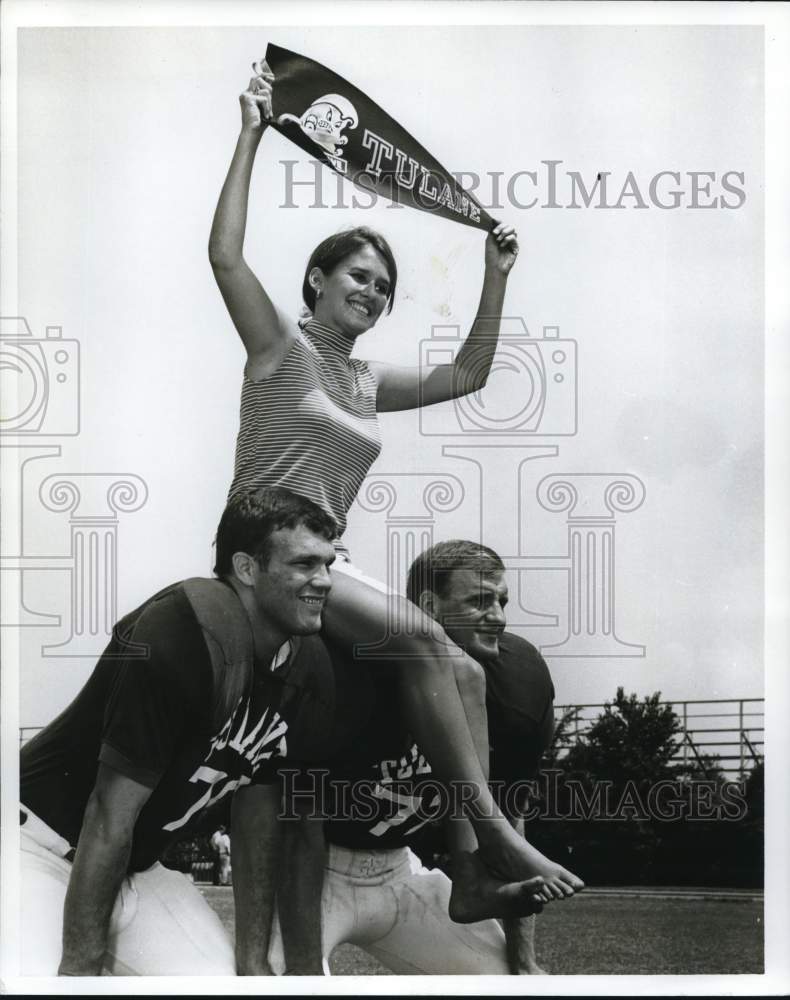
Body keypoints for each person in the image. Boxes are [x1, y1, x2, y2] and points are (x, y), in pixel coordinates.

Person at [208, 57, 583, 898]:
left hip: (323, 566)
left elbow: (468, 377)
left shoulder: (369, 381)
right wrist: (251, 135)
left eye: (384, 289)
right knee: (421, 642)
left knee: (466, 670)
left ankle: (471, 872)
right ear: (316, 280)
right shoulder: (279, 347)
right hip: (261, 556)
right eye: (358, 279)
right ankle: (497, 837)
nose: (373, 296)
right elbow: (224, 254)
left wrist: (495, 276)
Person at [19, 487, 341, 976]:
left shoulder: (307, 665)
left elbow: (258, 811)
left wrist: (252, 960)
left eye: (328, 564)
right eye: (304, 564)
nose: (324, 581)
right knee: (34, 980)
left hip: (137, 867)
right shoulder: (187, 629)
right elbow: (108, 816)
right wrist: (79, 971)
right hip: (37, 846)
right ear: (247, 569)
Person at [269, 540, 565, 975]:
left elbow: (508, 820)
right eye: (479, 602)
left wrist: (524, 961)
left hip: (399, 869)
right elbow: (299, 820)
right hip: (314, 869)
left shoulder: (520, 682)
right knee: (280, 979)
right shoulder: (355, 670)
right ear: (428, 605)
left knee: (502, 980)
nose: (499, 617)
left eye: (502, 601)